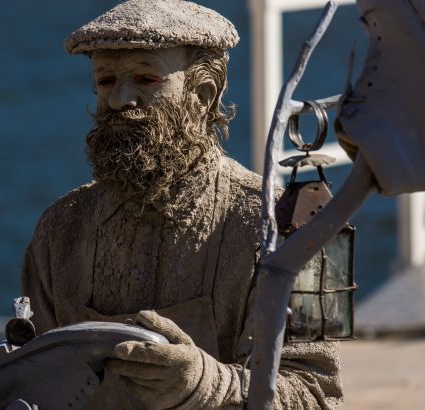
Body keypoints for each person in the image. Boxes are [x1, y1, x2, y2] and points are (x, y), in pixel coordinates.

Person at [21, 0, 342, 408]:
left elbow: (317, 394)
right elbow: (33, 380)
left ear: (202, 96)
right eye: (105, 81)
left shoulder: (284, 226)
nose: (120, 99)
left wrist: (204, 382)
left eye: (145, 78)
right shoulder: (61, 229)